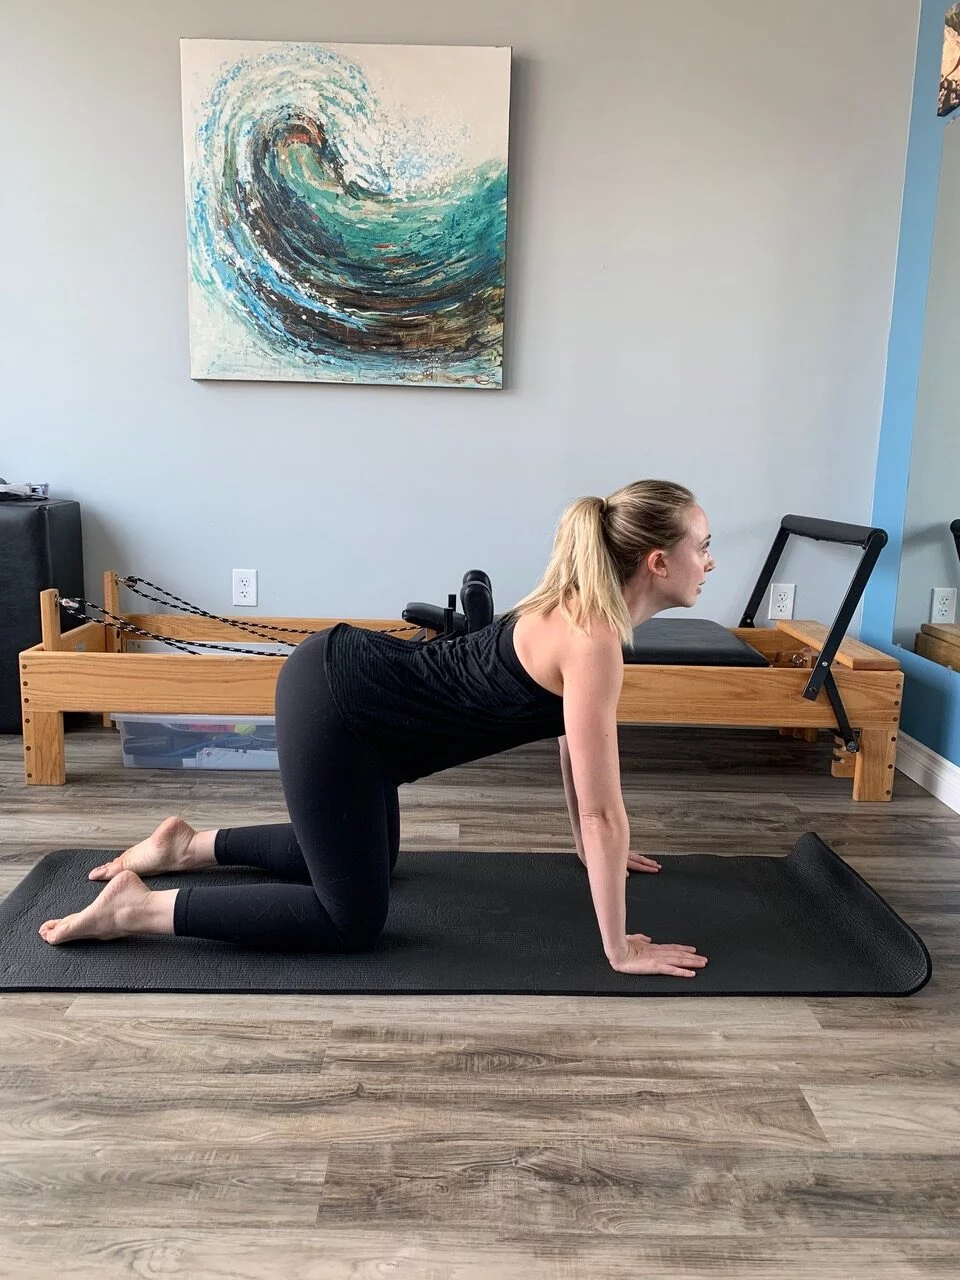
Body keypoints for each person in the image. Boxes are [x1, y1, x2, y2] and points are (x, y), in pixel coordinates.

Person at [39, 480, 715, 979]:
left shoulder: (576, 608)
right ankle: (138, 910)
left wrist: (590, 849)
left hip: (349, 689)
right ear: (658, 561)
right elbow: (603, 812)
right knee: (348, 920)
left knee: (369, 858)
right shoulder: (594, 639)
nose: (709, 562)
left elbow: (573, 747)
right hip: (344, 714)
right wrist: (619, 947)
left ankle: (186, 846)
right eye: (703, 547)